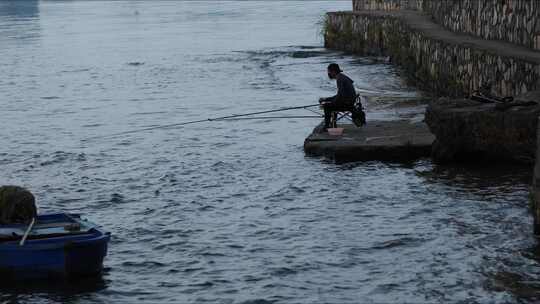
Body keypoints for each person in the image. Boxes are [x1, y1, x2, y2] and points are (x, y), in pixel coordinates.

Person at [319, 63, 364, 130]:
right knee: (331, 104)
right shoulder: (342, 77)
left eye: (329, 72)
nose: (329, 74)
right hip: (350, 102)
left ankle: (327, 126)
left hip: (348, 104)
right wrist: (326, 99)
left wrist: (327, 101)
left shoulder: (340, 79)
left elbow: (340, 96)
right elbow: (340, 95)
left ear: (333, 72)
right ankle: (333, 124)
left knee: (327, 106)